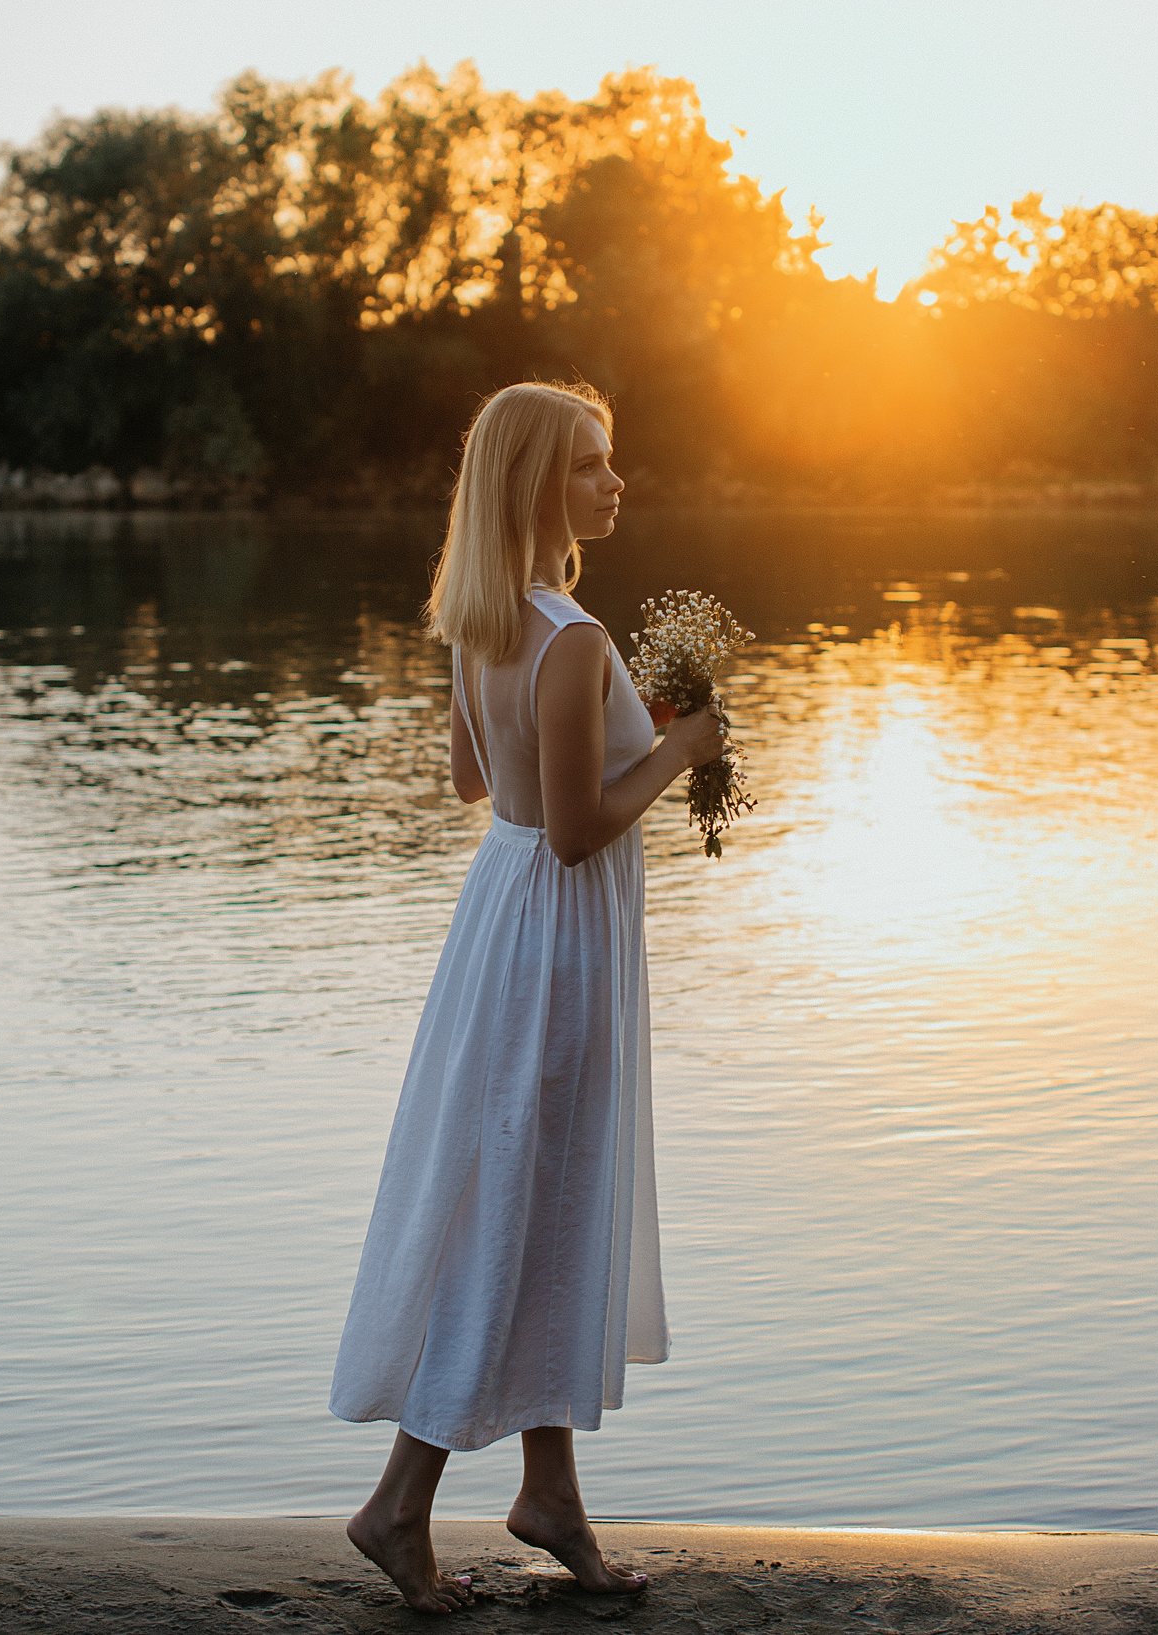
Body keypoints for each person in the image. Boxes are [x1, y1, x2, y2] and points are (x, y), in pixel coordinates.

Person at [329, 381, 728, 1613]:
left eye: (614, 462)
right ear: (534, 485)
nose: (616, 483)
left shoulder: (483, 623)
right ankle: (399, 1503)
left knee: (536, 1196)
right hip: (556, 935)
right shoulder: (572, 640)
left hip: (495, 923)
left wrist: (617, 733)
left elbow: (471, 780)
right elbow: (573, 832)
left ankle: (549, 1495)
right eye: (592, 465)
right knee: (522, 1204)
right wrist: (679, 749)